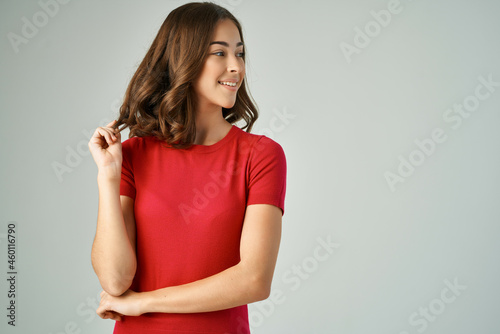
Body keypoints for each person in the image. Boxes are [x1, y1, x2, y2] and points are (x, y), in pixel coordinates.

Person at [88, 2, 287, 333]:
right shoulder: (132, 156)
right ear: (184, 59)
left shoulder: (261, 155)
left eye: (239, 53)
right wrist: (108, 178)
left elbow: (254, 279)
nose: (236, 67)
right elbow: (115, 278)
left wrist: (144, 302)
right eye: (220, 54)